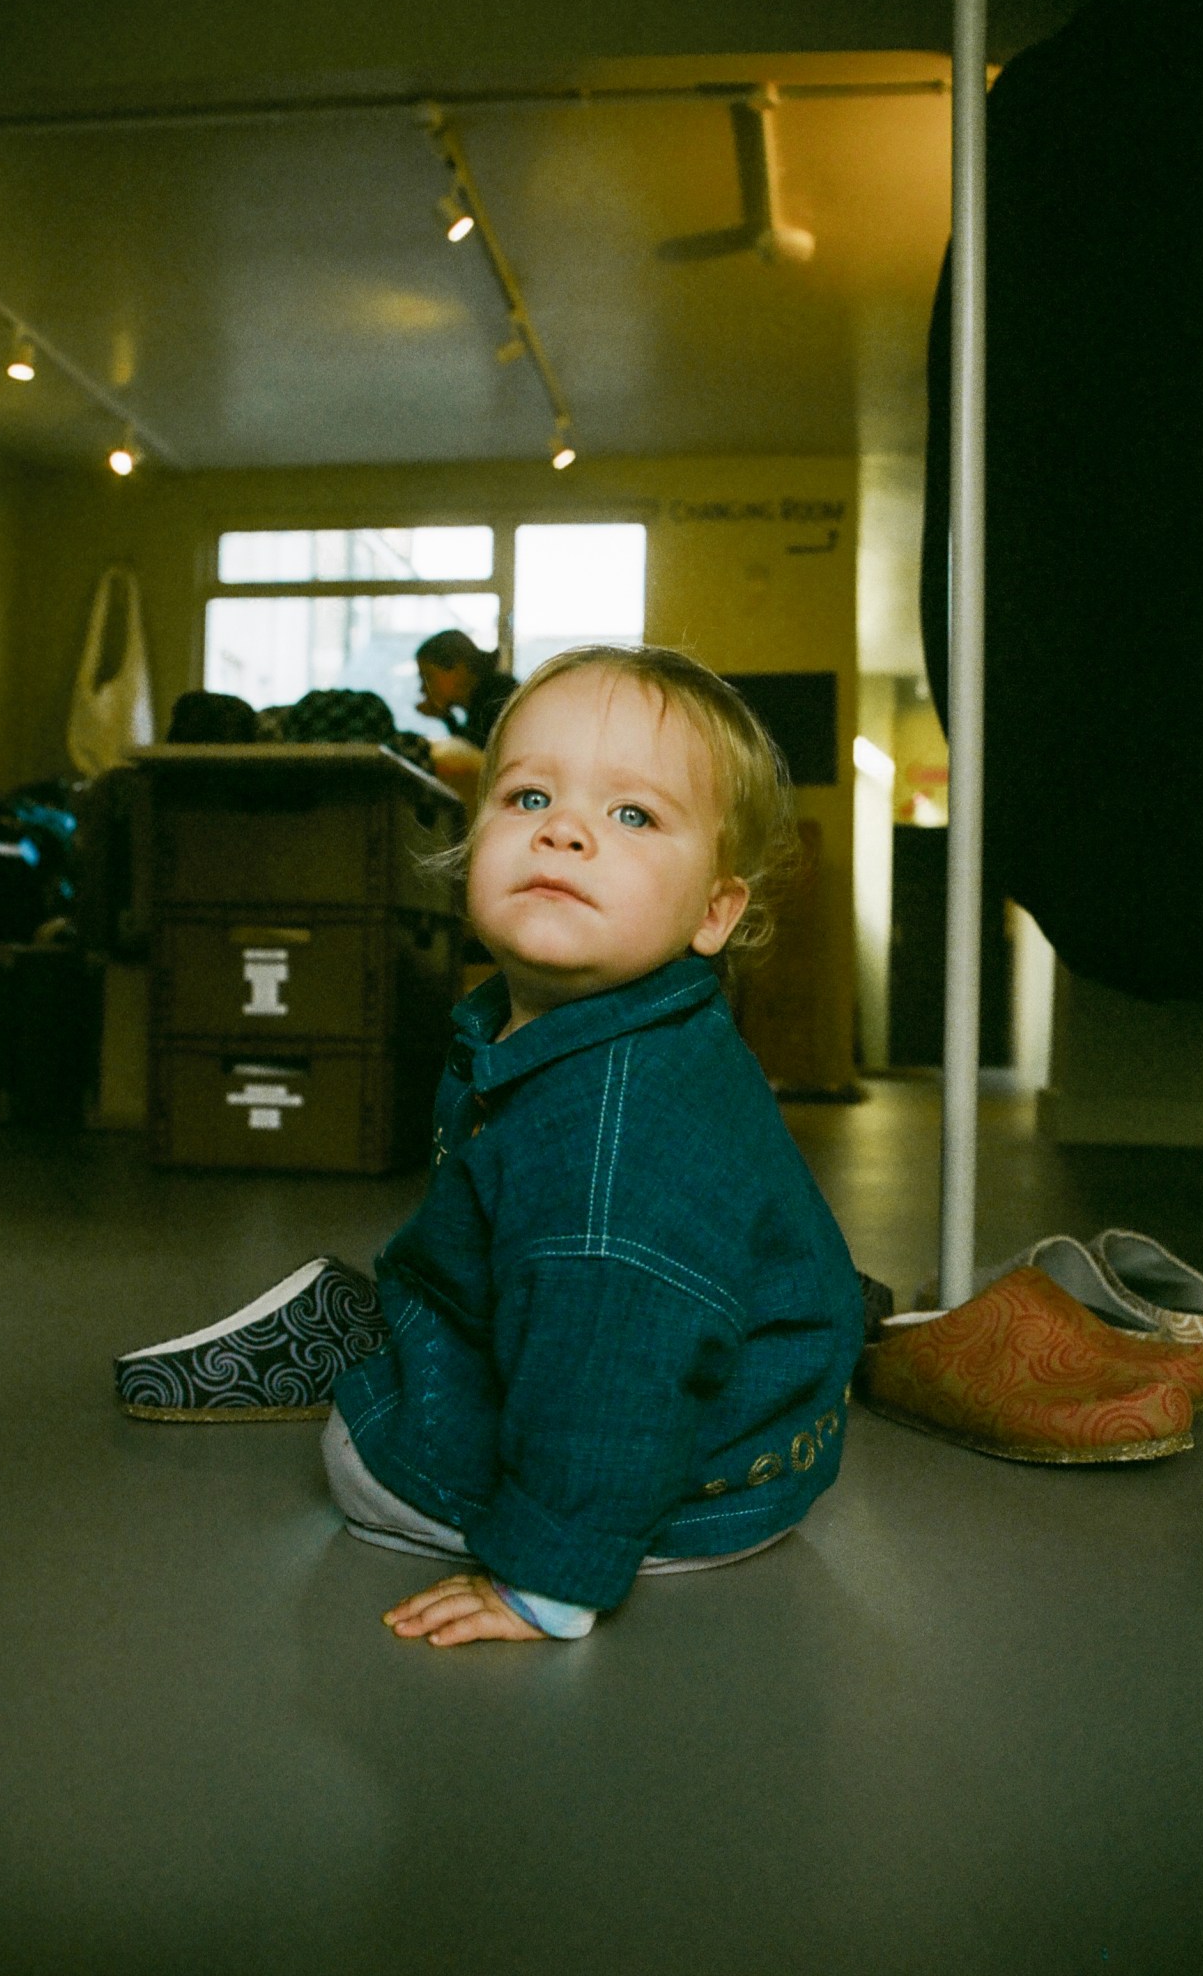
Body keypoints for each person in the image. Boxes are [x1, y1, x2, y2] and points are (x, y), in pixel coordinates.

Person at [116, 646, 864, 1645]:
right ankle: (424, 1314)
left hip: (683, 1480)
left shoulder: (614, 1146)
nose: (562, 829)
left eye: (632, 814)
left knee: (358, 1451)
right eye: (527, 797)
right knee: (545, 1289)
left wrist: (544, 1578)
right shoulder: (564, 1029)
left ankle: (398, 1347)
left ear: (715, 911)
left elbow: (613, 1374)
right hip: (745, 1418)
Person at [415, 629, 518, 751]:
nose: (422, 689)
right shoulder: (483, 699)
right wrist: (446, 717)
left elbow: (478, 761)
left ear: (459, 669)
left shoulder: (498, 703)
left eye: (428, 677)